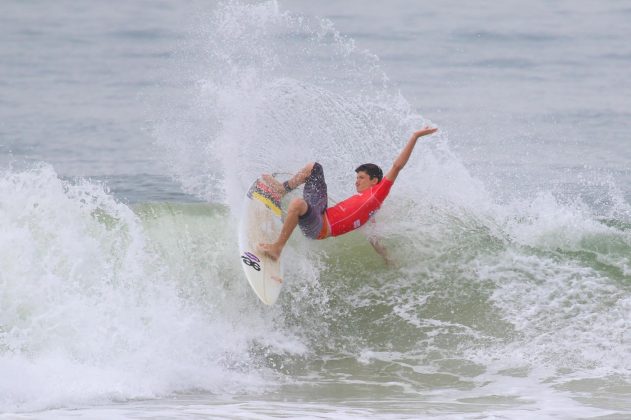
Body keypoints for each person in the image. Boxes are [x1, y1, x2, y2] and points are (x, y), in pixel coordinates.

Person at [258, 125, 438, 262]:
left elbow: (397, 166)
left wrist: (415, 136)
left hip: (319, 227)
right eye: (356, 177)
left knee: (297, 203)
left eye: (361, 178)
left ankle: (277, 248)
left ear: (374, 181)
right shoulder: (370, 209)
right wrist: (386, 258)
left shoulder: (378, 192)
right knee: (314, 167)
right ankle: (281, 189)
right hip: (320, 211)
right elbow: (374, 239)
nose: (356, 181)